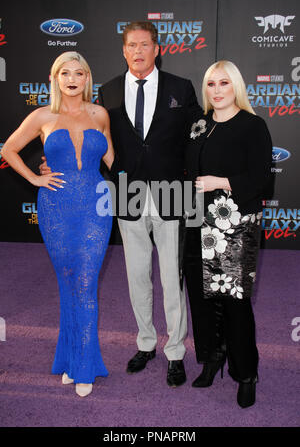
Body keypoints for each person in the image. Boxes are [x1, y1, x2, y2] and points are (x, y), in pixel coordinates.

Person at [1, 51, 115, 398]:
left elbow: (111, 158)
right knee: (68, 282)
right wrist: (36, 178)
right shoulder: (42, 116)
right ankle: (68, 358)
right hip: (56, 208)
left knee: (85, 280)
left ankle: (84, 367)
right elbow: (8, 149)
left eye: (78, 73)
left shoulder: (100, 113)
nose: (71, 79)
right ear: (55, 78)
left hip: (96, 206)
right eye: (64, 73)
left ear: (87, 78)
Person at [97, 21, 203, 386]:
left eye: (145, 44)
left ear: (157, 49)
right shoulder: (108, 90)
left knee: (173, 277)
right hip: (128, 191)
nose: (138, 51)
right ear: (124, 50)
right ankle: (145, 342)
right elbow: (98, 138)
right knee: (136, 274)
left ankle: (175, 350)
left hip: (173, 192)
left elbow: (199, 139)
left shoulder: (181, 88)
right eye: (131, 45)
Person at [183, 60, 272, 408]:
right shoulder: (199, 126)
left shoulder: (252, 126)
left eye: (224, 83)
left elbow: (262, 176)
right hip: (198, 222)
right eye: (210, 84)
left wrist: (222, 182)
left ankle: (246, 373)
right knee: (203, 300)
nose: (217, 90)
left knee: (235, 303)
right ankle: (212, 358)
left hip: (236, 224)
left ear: (236, 86)